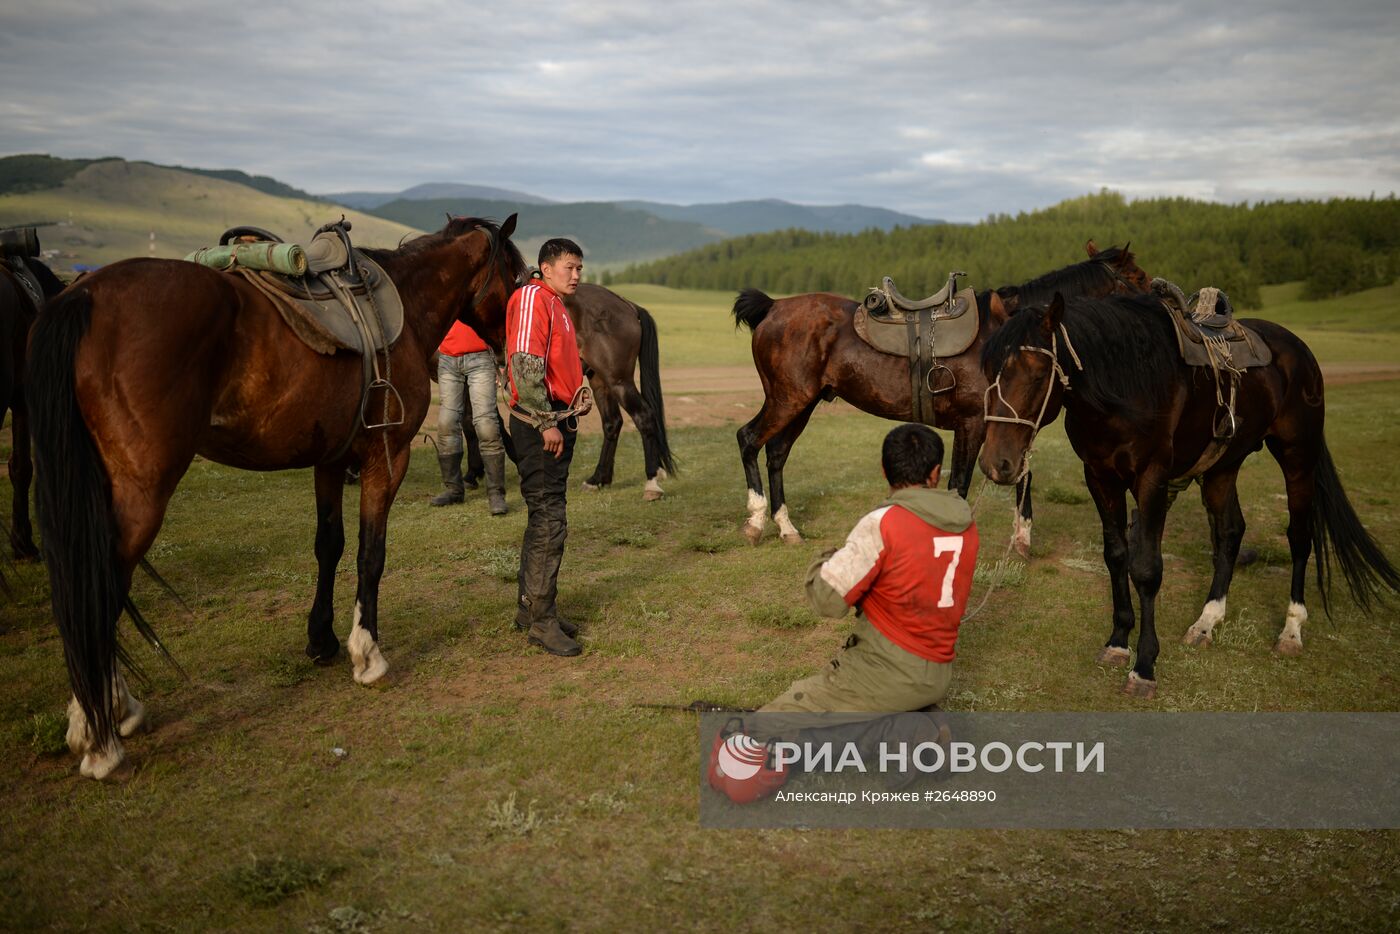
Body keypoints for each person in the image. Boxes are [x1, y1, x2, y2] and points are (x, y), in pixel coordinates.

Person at [710, 424, 979, 801]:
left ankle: (915, 738)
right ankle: (916, 726)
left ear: (885, 471)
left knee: (764, 728)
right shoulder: (966, 524)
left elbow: (826, 600)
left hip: (884, 669)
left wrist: (827, 557)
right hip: (936, 669)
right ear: (935, 473)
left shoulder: (883, 524)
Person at [505, 238, 591, 656]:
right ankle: (542, 621)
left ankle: (530, 608)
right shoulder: (531, 299)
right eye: (569, 267)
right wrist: (544, 423)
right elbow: (524, 362)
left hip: (555, 421)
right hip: (541, 427)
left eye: (579, 268)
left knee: (544, 513)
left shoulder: (554, 303)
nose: (576, 275)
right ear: (546, 266)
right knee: (549, 520)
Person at [431, 321, 509, 515]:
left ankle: (496, 493)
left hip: (481, 358)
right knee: (446, 424)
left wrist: (501, 359)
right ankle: (453, 489)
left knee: (486, 424)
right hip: (448, 359)